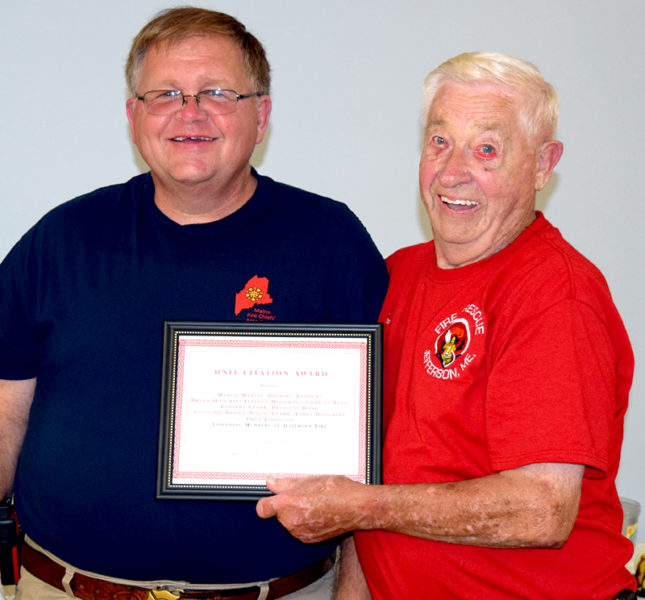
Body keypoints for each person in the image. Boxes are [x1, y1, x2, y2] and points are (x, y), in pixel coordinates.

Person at [0, 7, 388, 600]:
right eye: (166, 94)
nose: (190, 112)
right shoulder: (63, 240)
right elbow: (6, 410)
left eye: (216, 92)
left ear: (261, 114)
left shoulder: (331, 243)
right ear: (134, 116)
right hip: (66, 589)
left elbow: (379, 447)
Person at [256, 52, 638, 600]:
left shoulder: (556, 295)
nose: (453, 171)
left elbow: (541, 510)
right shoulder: (398, 275)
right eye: (440, 142)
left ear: (541, 165)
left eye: (487, 149)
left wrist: (359, 504)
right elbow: (374, 470)